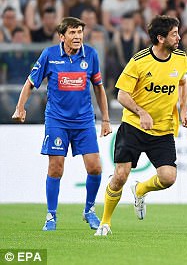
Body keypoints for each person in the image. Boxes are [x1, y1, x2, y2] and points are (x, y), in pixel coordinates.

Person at [12, 17, 112, 231]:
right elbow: (30, 83)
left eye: (80, 32)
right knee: (56, 168)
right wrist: (20, 107)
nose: (77, 37)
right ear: (62, 36)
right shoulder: (49, 55)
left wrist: (105, 119)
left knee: (95, 167)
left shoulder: (91, 55)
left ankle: (89, 210)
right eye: (73, 33)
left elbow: (99, 88)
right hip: (57, 120)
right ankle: (51, 215)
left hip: (84, 121)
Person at [95, 15, 187, 236]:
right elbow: (121, 95)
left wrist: (183, 109)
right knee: (120, 175)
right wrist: (141, 112)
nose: (179, 37)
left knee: (168, 178)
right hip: (134, 127)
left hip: (163, 129)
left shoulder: (180, 58)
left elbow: (183, 84)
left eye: (178, 32)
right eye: (174, 33)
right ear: (160, 38)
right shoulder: (139, 61)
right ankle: (105, 223)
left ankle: (140, 189)